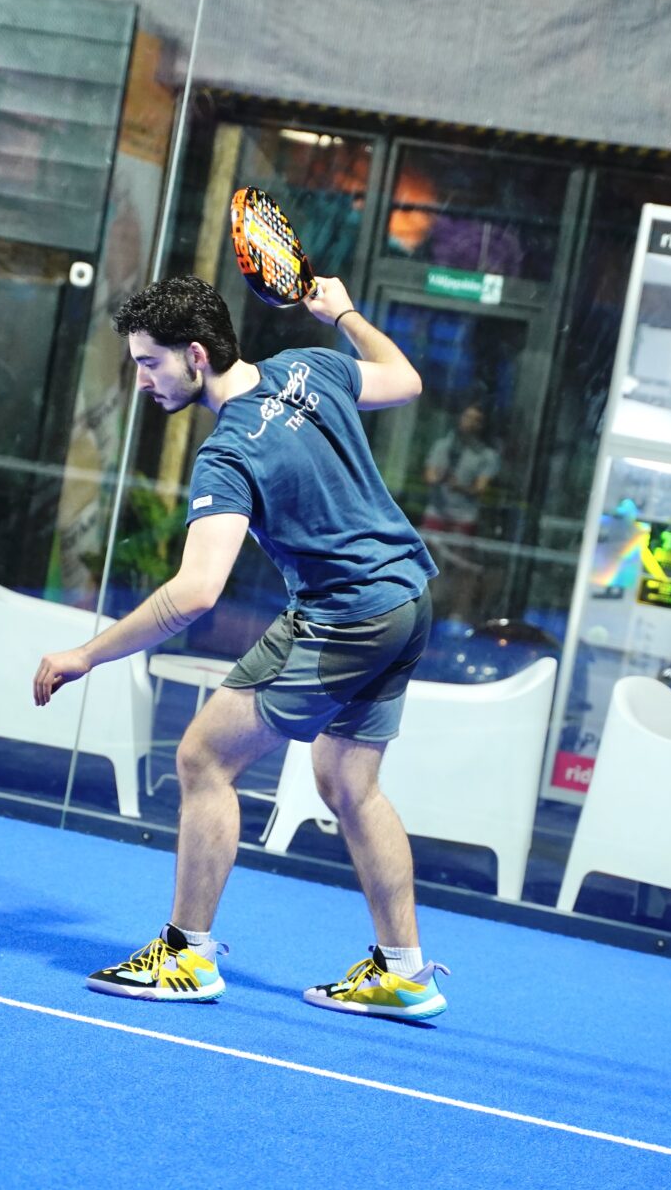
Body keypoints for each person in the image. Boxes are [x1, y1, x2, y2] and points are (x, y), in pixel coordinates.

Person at [32, 274, 451, 1020]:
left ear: (196, 356)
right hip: (407, 597)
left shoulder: (227, 457)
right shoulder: (309, 366)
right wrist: (343, 314)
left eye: (150, 362)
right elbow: (406, 379)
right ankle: (404, 971)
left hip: (346, 614)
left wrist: (85, 655)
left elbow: (195, 593)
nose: (142, 380)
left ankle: (186, 956)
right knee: (349, 784)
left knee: (203, 758)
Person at [420, 401, 501, 624]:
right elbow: (429, 475)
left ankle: (456, 615)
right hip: (436, 513)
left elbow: (480, 488)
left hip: (463, 517)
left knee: (461, 567)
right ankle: (423, 610)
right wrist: (438, 478)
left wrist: (460, 487)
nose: (470, 423)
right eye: (468, 417)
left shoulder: (487, 455)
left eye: (477, 420)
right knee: (426, 563)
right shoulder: (442, 446)